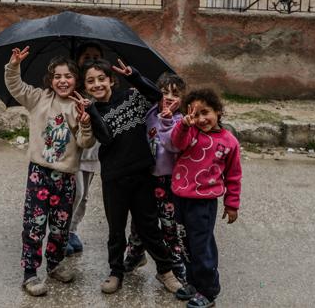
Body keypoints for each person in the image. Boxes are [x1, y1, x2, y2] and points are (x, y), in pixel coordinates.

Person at [81, 58, 183, 296]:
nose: (97, 84)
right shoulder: (92, 111)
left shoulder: (131, 96)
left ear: (111, 80)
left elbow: (156, 96)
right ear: (85, 86)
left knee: (149, 227)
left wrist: (134, 75)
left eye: (101, 79)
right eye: (90, 81)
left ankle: (165, 271)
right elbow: (105, 137)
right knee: (116, 230)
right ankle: (115, 272)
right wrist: (91, 111)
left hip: (141, 174)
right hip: (114, 179)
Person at [5, 46, 96, 297]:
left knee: (60, 226)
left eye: (68, 76)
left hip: (66, 177)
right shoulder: (38, 98)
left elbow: (85, 142)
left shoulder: (80, 106)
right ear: (50, 79)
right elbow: (15, 86)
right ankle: (30, 273)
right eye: (57, 76)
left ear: (76, 80)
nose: (62, 81)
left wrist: (86, 123)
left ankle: (55, 264)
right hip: (39, 174)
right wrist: (14, 65)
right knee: (34, 225)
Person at [165, 89, 242, 308]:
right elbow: (176, 142)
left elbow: (234, 176)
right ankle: (193, 283)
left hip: (203, 204)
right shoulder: (190, 132)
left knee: (201, 247)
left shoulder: (229, 142)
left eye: (205, 112)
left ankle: (208, 291)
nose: (200, 119)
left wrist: (232, 204)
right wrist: (184, 125)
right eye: (195, 114)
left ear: (218, 111)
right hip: (180, 199)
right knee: (185, 245)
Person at [124, 73, 188, 282]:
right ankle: (135, 254)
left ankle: (175, 262)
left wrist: (168, 119)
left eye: (175, 94)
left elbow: (174, 145)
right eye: (164, 92)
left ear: (183, 99)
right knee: (139, 220)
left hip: (167, 181)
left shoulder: (181, 121)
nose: (169, 97)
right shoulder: (150, 112)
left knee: (169, 224)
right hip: (145, 176)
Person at [66, 41, 105, 256]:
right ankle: (62, 232)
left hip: (93, 151)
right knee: (75, 193)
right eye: (86, 57)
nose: (91, 60)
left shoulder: (101, 87)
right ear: (78, 60)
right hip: (74, 151)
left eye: (96, 57)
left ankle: (72, 230)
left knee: (84, 196)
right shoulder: (71, 88)